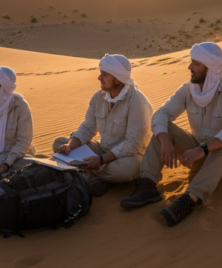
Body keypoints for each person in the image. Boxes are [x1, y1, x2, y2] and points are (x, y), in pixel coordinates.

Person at [120, 42, 222, 226]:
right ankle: (148, 184)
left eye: (196, 63)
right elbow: (161, 114)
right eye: (191, 62)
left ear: (210, 67)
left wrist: (204, 148)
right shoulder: (188, 89)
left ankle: (190, 198)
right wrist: (165, 141)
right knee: (165, 128)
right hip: (199, 154)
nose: (190, 67)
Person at [54, 54, 152, 197]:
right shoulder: (98, 97)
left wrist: (100, 160)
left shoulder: (137, 102)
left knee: (125, 170)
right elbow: (88, 127)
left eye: (104, 75)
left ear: (118, 79)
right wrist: (70, 145)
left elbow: (132, 144)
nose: (99, 78)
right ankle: (98, 176)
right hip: (104, 149)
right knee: (59, 144)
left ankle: (91, 174)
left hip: (131, 156)